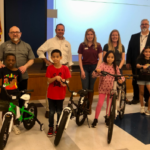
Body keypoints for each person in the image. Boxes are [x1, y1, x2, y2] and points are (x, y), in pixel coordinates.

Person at [37, 24, 73, 118]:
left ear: (64, 31)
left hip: (64, 68)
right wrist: (47, 61)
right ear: (55, 30)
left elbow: (69, 57)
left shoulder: (67, 43)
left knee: (62, 88)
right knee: (51, 88)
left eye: (62, 30)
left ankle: (59, 107)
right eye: (59, 29)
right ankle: (49, 110)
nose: (60, 31)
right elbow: (39, 51)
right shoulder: (50, 42)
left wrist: (70, 68)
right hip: (53, 68)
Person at [0, 26, 35, 108]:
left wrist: (25, 66)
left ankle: (20, 116)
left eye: (17, 32)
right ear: (9, 34)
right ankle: (9, 114)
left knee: (22, 96)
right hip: (8, 77)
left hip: (22, 76)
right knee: (7, 97)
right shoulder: (3, 45)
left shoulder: (27, 46)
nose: (15, 34)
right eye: (12, 32)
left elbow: (32, 59)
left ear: (20, 34)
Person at [91, 51, 125, 127]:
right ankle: (95, 119)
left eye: (112, 57)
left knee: (109, 105)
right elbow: (94, 74)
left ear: (114, 58)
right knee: (100, 104)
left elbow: (120, 75)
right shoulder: (102, 65)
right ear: (105, 57)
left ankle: (107, 117)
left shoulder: (115, 67)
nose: (110, 58)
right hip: (102, 89)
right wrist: (97, 71)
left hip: (111, 89)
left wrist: (121, 79)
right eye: (108, 57)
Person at [46, 49, 71, 137]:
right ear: (51, 58)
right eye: (53, 57)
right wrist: (55, 78)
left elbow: (67, 81)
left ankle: (58, 126)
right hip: (51, 95)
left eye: (57, 57)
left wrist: (64, 83)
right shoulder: (49, 68)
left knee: (59, 112)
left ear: (61, 57)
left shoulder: (65, 68)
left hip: (60, 95)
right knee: (51, 112)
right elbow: (49, 80)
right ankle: (50, 127)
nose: (55, 58)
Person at [78, 28, 102, 114]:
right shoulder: (82, 45)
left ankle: (89, 107)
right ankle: (83, 106)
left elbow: (100, 58)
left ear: (94, 35)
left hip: (94, 68)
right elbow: (80, 59)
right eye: (88, 34)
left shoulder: (98, 45)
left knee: (91, 88)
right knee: (85, 88)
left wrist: (96, 70)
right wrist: (82, 70)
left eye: (91, 34)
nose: (90, 36)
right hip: (84, 67)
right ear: (86, 36)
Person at [126, 19, 150, 105]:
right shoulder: (134, 36)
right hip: (136, 63)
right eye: (142, 24)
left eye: (146, 24)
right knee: (135, 80)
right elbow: (129, 50)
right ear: (140, 26)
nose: (144, 25)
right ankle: (136, 98)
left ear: (149, 25)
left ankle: (147, 100)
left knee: (147, 81)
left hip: (148, 64)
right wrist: (128, 61)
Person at [0, 53, 22, 135]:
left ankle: (14, 126)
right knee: (4, 111)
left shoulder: (17, 71)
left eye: (13, 60)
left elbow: (19, 81)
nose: (11, 62)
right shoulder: (2, 70)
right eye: (9, 60)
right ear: (5, 61)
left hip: (14, 95)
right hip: (4, 95)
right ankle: (4, 125)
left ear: (15, 61)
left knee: (13, 111)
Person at [136, 46, 150, 115]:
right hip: (141, 78)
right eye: (146, 51)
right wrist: (142, 66)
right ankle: (142, 107)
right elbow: (137, 65)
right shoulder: (140, 59)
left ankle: (149, 109)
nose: (148, 53)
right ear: (143, 52)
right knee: (141, 92)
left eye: (149, 52)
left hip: (149, 79)